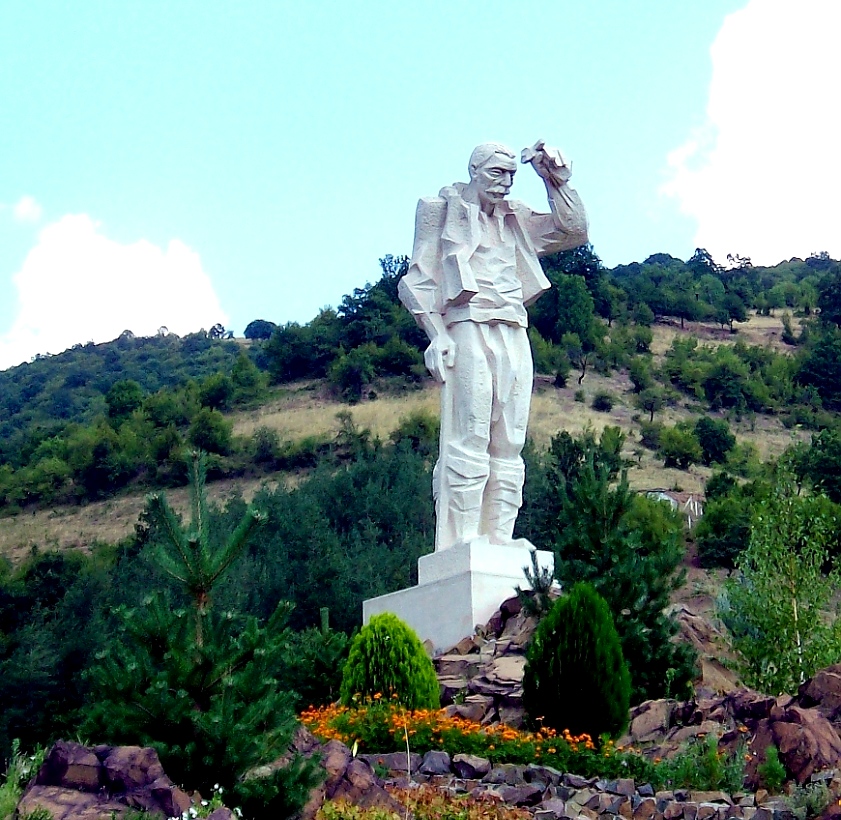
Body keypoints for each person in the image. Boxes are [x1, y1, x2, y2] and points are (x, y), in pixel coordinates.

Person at [398, 141, 588, 551]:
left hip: (513, 326)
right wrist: (437, 334)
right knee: (470, 433)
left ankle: (501, 538)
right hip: (468, 324)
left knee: (510, 439)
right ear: (474, 170)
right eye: (496, 173)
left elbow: (573, 231)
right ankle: (465, 537)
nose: (505, 183)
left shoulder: (515, 217)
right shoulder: (439, 210)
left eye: (511, 175)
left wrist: (556, 181)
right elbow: (416, 281)